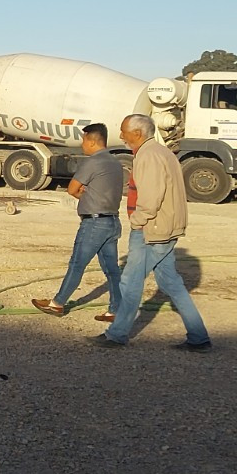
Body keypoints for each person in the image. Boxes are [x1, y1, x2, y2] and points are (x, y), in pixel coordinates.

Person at [91, 113, 211, 351]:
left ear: (137, 133)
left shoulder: (148, 155)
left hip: (152, 228)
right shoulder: (161, 152)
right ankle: (199, 337)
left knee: (130, 281)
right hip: (164, 227)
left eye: (124, 130)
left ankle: (116, 335)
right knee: (171, 282)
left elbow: (151, 196)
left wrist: (138, 220)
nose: (121, 134)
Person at [31, 123, 122, 321]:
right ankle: (116, 309)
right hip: (112, 221)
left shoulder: (92, 162)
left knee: (77, 264)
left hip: (94, 223)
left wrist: (87, 197)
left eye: (83, 140)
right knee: (112, 269)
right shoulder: (115, 163)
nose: (82, 144)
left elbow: (72, 189)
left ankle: (57, 304)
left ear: (92, 141)